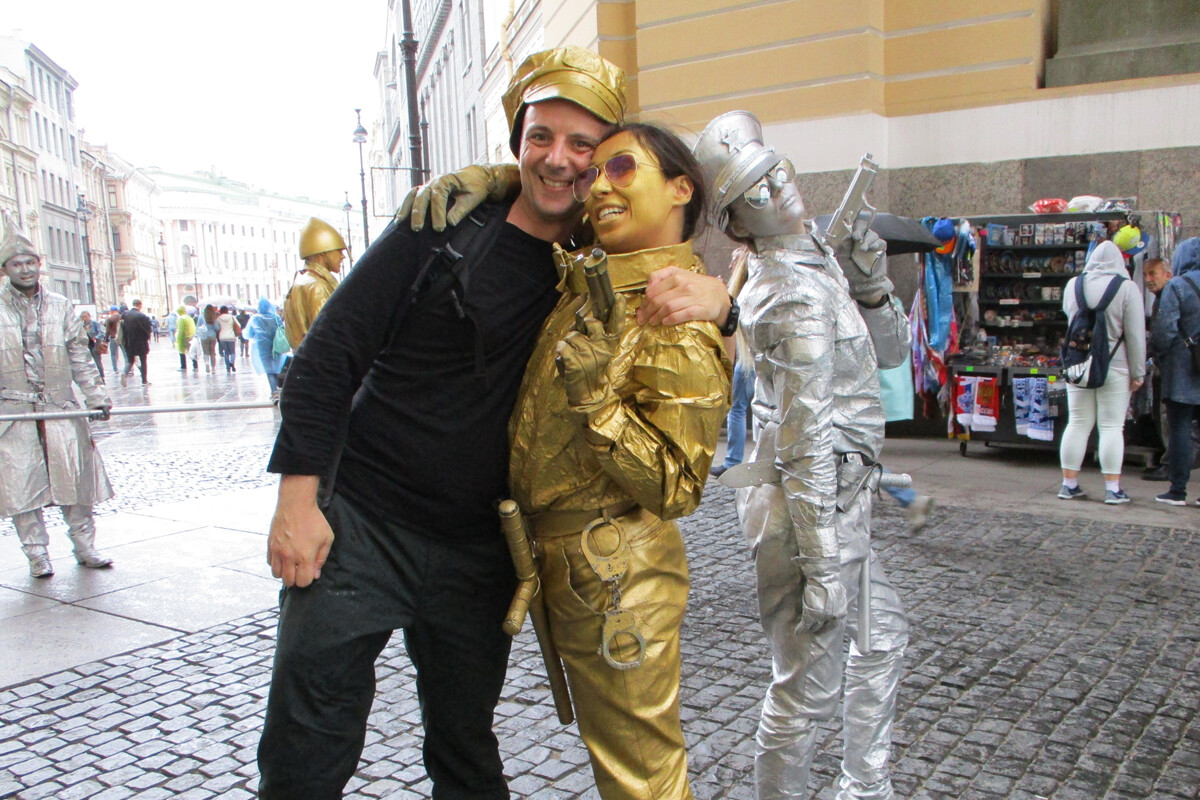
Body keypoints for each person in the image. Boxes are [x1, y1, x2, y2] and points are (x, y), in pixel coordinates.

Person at [257, 46, 734, 800]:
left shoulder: (584, 260)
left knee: (466, 750)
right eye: (540, 137)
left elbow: (666, 277)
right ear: (515, 142)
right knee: (307, 744)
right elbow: (330, 353)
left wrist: (722, 303)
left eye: (588, 147)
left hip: (479, 550)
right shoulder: (443, 225)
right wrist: (298, 500)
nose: (561, 160)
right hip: (362, 525)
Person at [507, 122, 731, 799]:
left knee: (643, 774)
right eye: (595, 172)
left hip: (616, 575)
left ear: (680, 188)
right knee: (624, 765)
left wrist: (599, 404)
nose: (599, 184)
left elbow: (676, 484)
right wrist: (488, 179)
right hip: (571, 566)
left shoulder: (673, 311)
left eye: (623, 168)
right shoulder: (592, 280)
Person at [693, 110, 911, 800]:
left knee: (880, 644)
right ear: (736, 224)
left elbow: (893, 355)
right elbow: (804, 440)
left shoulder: (814, 257)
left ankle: (864, 787)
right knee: (804, 691)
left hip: (846, 500)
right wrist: (820, 567)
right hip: (807, 514)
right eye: (755, 191)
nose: (779, 189)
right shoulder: (787, 298)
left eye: (777, 171)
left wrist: (872, 284)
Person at [0, 210, 114, 578]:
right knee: (22, 485)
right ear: (6, 268)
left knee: (74, 479)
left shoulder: (61, 305)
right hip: (14, 413)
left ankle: (85, 545)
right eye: (17, 263)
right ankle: (37, 554)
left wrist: (96, 396)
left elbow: (79, 354)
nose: (25, 269)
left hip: (60, 406)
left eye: (30, 262)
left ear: (39, 264)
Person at [1057, 240, 1145, 504]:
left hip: (1078, 364)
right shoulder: (1127, 288)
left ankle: (1068, 484)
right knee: (1111, 427)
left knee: (1077, 423)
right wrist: (1138, 372)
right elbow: (1136, 334)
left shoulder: (1073, 285)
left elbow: (1069, 318)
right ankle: (1112, 489)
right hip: (1115, 366)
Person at [1151, 237, 1200, 506]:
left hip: (1182, 368)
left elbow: (1164, 330)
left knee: (1180, 428)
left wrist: (1161, 356)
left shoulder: (1178, 286)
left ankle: (1178, 490)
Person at [282, 218, 345, 349]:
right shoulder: (318, 286)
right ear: (323, 252)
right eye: (339, 251)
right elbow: (327, 339)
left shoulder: (302, 280)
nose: (342, 256)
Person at [243, 297, 286, 401]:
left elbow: (248, 333)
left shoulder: (255, 318)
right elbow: (282, 329)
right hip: (276, 345)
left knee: (269, 370)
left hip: (262, 347)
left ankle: (274, 392)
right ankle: (277, 389)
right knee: (276, 368)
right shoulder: (276, 317)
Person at [120, 299, 153, 386]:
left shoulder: (125, 314)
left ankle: (125, 372)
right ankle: (144, 380)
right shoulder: (142, 316)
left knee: (130, 360)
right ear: (140, 305)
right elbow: (148, 330)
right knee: (143, 360)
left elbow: (122, 327)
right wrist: (147, 338)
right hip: (140, 342)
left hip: (129, 341)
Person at [215, 305, 241, 373]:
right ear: (227, 310)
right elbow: (239, 325)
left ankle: (227, 368)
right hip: (231, 337)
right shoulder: (232, 317)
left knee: (226, 353)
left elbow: (216, 328)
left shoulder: (218, 318)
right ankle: (232, 362)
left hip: (222, 337)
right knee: (232, 352)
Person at [80, 310, 105, 379]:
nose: (85, 318)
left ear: (89, 316)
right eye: (83, 317)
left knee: (97, 361)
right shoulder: (81, 325)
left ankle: (101, 376)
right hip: (86, 346)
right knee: (87, 362)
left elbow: (102, 333)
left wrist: (96, 338)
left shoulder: (95, 323)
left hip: (95, 345)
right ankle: (92, 376)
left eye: (86, 316)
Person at [197, 304, 218, 373]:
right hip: (212, 336)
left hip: (204, 336)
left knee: (205, 352)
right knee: (212, 352)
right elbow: (217, 328)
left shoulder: (201, 316)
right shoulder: (214, 317)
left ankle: (207, 365)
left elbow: (198, 327)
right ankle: (213, 369)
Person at [174, 305, 196, 371]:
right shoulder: (189, 318)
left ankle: (183, 366)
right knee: (192, 351)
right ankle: (195, 365)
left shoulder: (180, 319)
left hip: (183, 338)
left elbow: (180, 330)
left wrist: (178, 338)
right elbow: (193, 327)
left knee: (181, 352)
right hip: (191, 337)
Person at [103, 306, 122, 377]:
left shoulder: (110, 319)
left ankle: (115, 369)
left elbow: (107, 330)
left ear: (111, 311)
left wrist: (105, 339)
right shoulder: (121, 317)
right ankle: (129, 368)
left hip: (113, 338)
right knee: (125, 353)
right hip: (121, 337)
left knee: (113, 354)